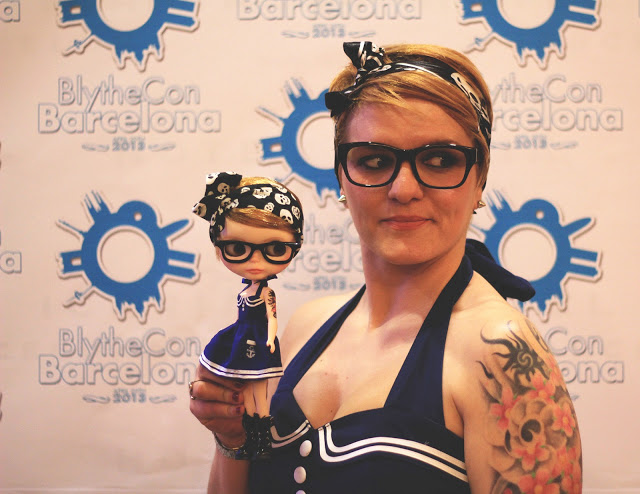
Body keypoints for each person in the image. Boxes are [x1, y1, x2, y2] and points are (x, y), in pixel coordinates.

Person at [189, 42, 582, 493]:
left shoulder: (500, 352)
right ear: (341, 176)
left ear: (480, 179)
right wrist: (233, 440)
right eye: (375, 161)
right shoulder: (302, 327)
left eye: (440, 160)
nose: (404, 189)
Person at [190, 171, 304, 460]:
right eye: (238, 248)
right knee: (246, 389)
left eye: (275, 249)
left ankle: (262, 431)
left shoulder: (267, 293)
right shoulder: (246, 291)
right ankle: (250, 432)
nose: (255, 260)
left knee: (259, 389)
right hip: (241, 338)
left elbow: (272, 318)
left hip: (259, 340)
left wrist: (270, 339)